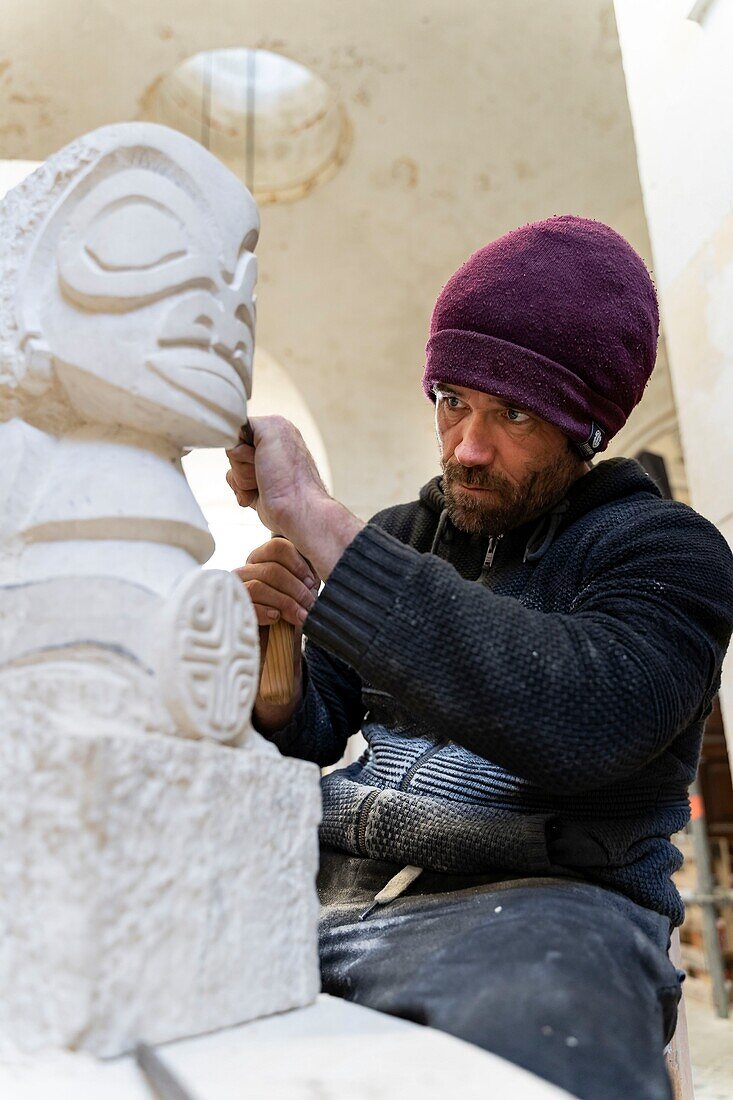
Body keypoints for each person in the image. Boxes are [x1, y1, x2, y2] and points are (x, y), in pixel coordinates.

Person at [225, 215, 733, 1099]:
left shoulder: (667, 553)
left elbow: (581, 717)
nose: (465, 445)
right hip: (325, 891)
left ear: (586, 430)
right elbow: (314, 726)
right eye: (453, 399)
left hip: (544, 918)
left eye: (514, 415)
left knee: (537, 1044)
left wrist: (317, 520)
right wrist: (278, 684)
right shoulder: (400, 537)